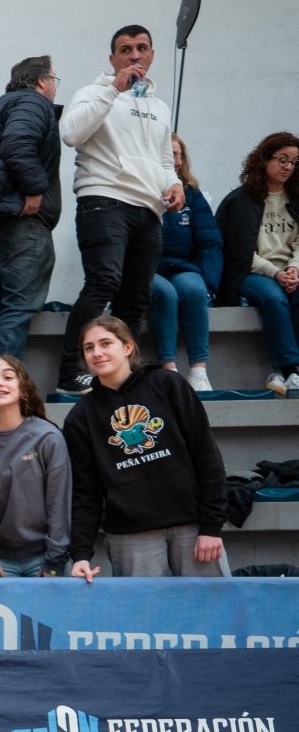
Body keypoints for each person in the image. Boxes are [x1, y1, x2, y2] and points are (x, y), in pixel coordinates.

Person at [58, 25, 185, 395]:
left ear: (152, 55)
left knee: (136, 298)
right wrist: (113, 89)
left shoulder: (159, 106)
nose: (135, 55)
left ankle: (123, 377)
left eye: (142, 48)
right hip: (104, 199)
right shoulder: (93, 92)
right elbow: (71, 134)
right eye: (126, 49)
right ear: (112, 58)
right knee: (103, 283)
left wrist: (174, 183)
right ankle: (70, 373)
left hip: (148, 209)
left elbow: (164, 159)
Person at [65, 316, 226, 580]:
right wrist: (81, 553)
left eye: (106, 343)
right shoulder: (80, 417)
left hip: (193, 527)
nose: (97, 353)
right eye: (89, 348)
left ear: (128, 347)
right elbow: (86, 492)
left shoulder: (168, 384)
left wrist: (211, 525)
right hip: (132, 537)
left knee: (213, 607)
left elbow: (206, 455)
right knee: (146, 610)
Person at [0, 56, 63, 365]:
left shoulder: (5, 104)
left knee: (4, 307)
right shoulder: (33, 103)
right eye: (53, 79)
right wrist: (35, 190)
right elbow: (17, 144)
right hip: (22, 223)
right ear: (41, 81)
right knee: (18, 308)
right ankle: (5, 384)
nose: (54, 87)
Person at [0, 355, 70, 577]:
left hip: (45, 557)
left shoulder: (48, 437)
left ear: (23, 389)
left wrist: (54, 562)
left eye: (8, 377)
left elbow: (59, 505)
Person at [216, 132, 299, 396]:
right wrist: (276, 273)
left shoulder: (296, 198)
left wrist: (294, 268)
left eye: (294, 162)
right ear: (263, 159)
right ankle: (290, 368)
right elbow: (239, 253)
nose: (288, 167)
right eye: (282, 159)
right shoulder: (241, 200)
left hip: (290, 270)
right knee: (274, 298)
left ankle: (283, 373)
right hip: (251, 272)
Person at [150, 133, 222, 390]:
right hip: (148, 269)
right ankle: (169, 369)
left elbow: (210, 242)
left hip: (183, 267)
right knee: (165, 293)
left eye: (180, 155)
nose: (178, 161)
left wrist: (209, 285)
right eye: (172, 155)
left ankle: (198, 371)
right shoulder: (141, 190)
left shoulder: (192, 195)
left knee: (194, 290)